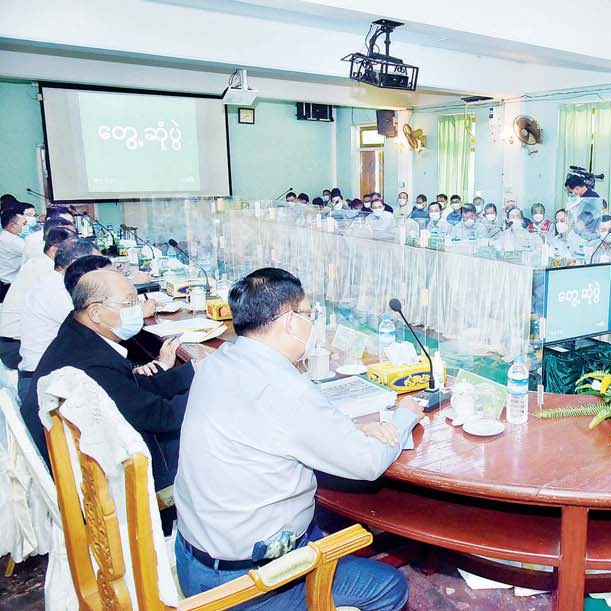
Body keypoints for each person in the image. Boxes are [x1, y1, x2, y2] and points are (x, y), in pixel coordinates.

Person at [173, 268, 415, 610]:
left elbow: (267, 424)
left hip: (195, 557)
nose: (311, 325)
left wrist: (348, 428)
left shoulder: (217, 361)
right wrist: (406, 414)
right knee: (389, 586)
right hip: (245, 586)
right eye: (308, 315)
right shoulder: (287, 390)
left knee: (325, 521)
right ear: (289, 321)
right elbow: (368, 463)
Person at [23, 256, 190, 486]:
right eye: (130, 303)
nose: (138, 309)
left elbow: (133, 387)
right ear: (95, 312)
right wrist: (211, 385)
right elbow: (162, 417)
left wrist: (194, 371)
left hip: (88, 451)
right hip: (101, 480)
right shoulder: (91, 364)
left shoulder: (77, 330)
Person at [0, 227, 78, 370]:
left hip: (16, 342)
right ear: (54, 249)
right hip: (16, 348)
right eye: (74, 252)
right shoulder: (46, 271)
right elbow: (71, 317)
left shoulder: (40, 262)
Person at [0, 205, 33, 301]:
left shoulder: (7, 236)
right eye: (24, 224)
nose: (26, 227)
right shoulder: (11, 241)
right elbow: (32, 253)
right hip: (9, 286)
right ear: (12, 225)